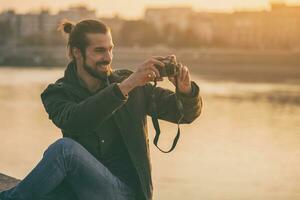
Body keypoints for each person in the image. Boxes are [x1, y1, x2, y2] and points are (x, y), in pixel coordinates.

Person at [0, 19, 202, 200]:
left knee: (64, 150)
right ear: (76, 52)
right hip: (80, 190)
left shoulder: (132, 84)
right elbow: (77, 121)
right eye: (99, 51)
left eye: (110, 49)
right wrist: (125, 87)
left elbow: (184, 114)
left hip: (126, 193)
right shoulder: (57, 93)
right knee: (53, 165)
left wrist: (186, 91)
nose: (108, 57)